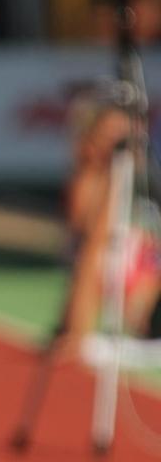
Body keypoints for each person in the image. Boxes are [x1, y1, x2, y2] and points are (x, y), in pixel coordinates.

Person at [53, 86, 161, 359]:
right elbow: (93, 239)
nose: (117, 143)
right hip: (100, 256)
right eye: (110, 134)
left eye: (122, 136)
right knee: (96, 258)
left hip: (132, 256)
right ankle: (82, 332)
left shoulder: (140, 177)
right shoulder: (88, 179)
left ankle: (141, 326)